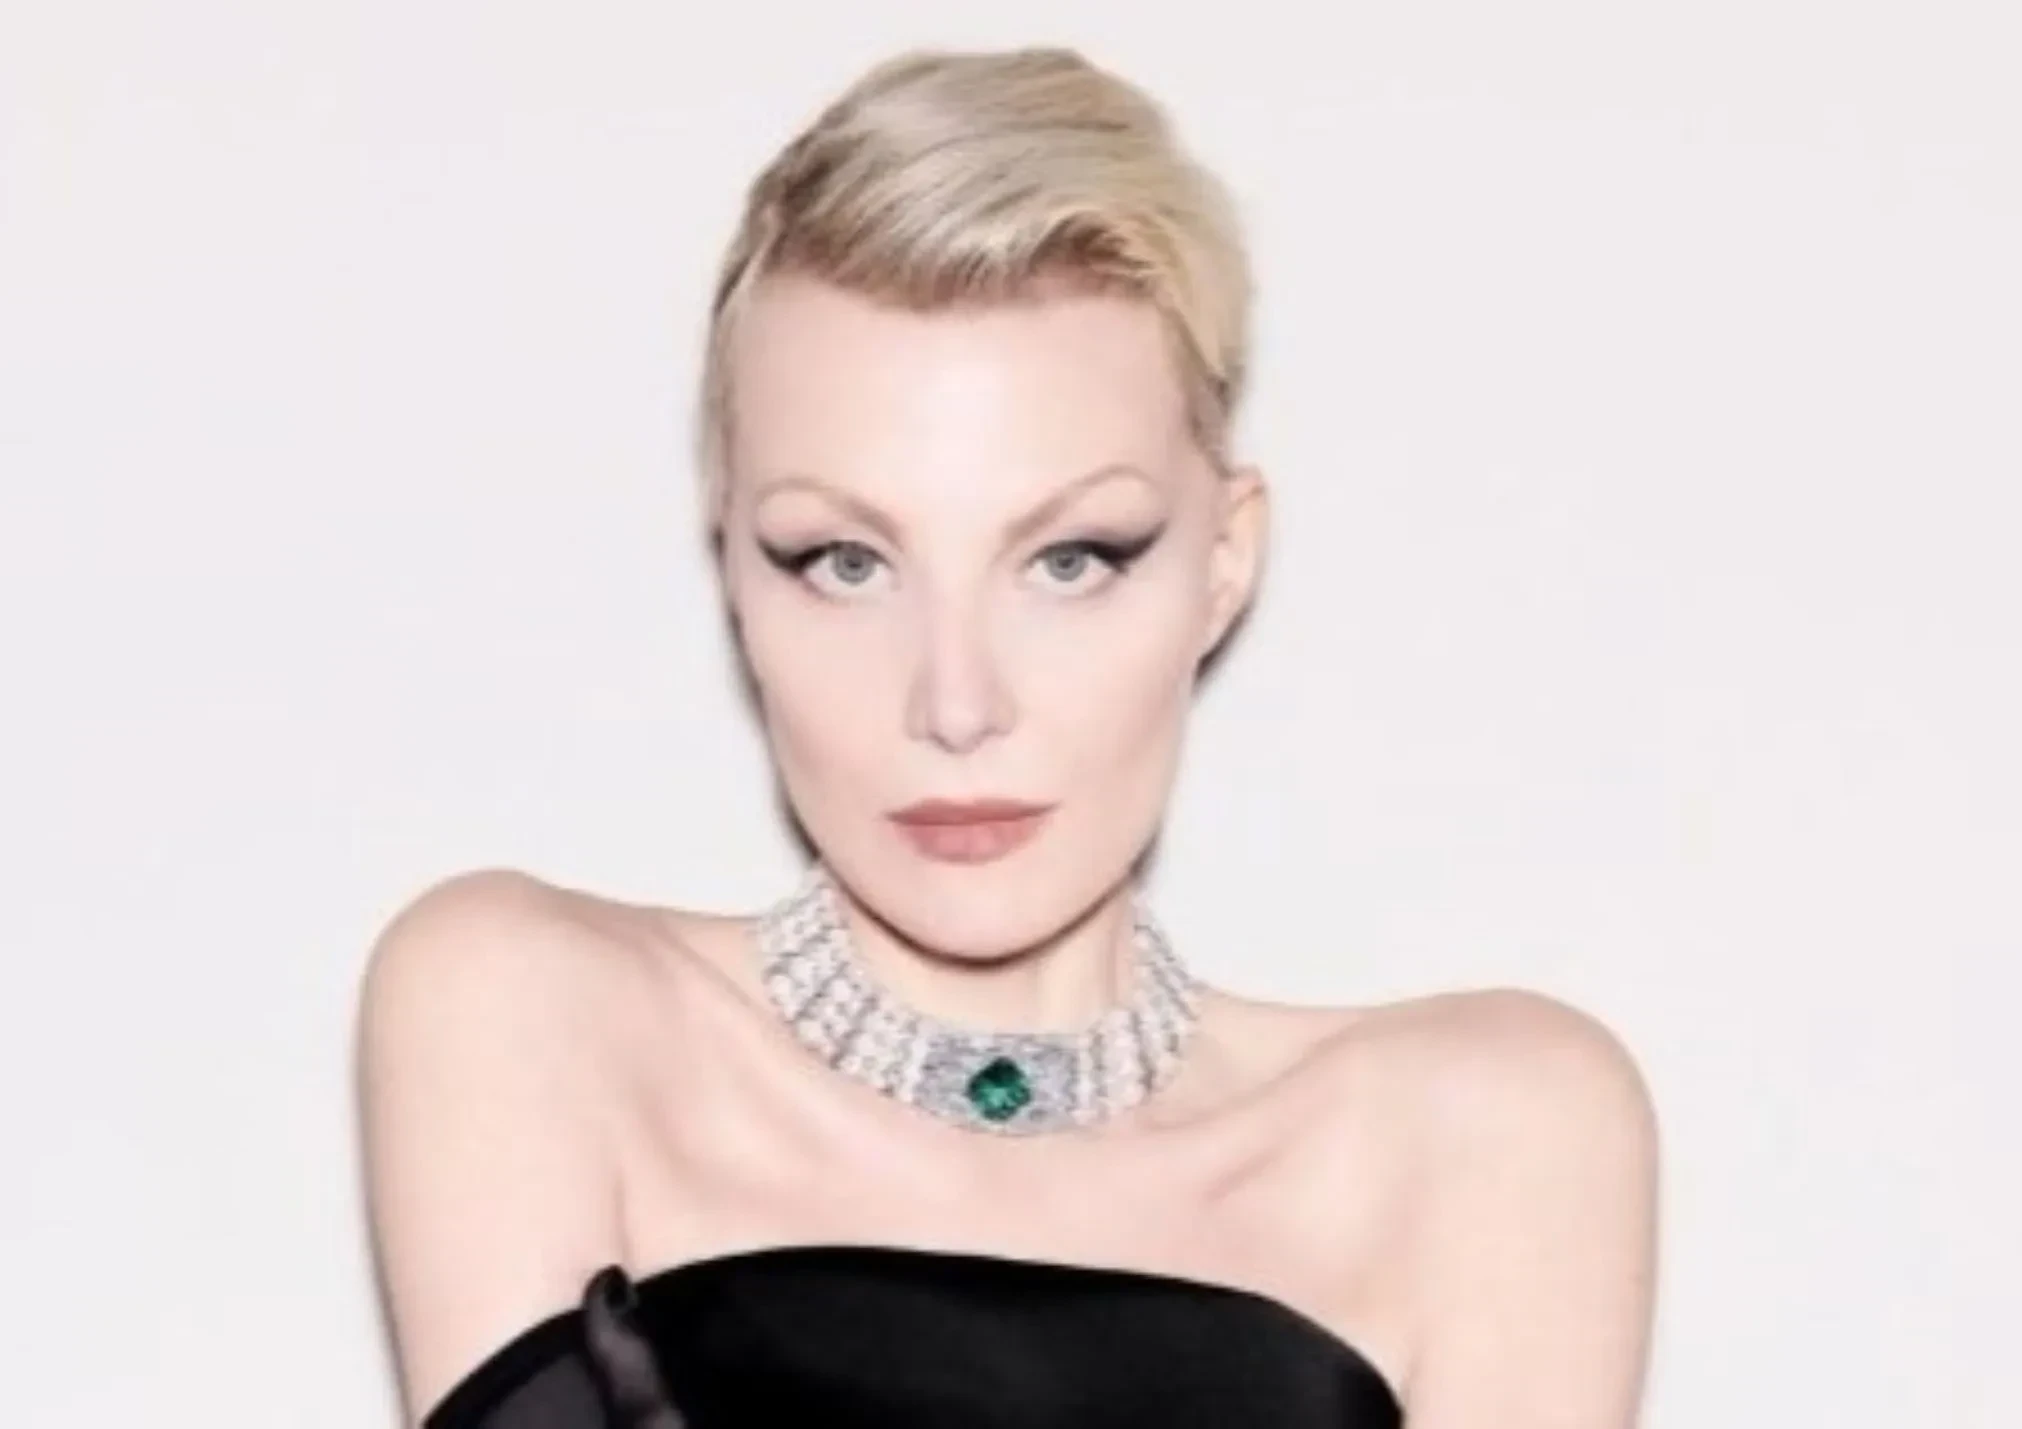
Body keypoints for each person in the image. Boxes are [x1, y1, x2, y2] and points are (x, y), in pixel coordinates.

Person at [356, 44, 1659, 1429]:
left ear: (1223, 562)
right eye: (843, 562)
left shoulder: (1487, 1137)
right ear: (731, 562)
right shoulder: (536, 1010)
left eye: (1070, 559)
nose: (957, 703)